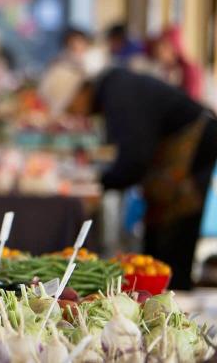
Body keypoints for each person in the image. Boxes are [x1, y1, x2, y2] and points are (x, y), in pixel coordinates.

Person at [39, 62, 217, 290]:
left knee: (174, 236)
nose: (74, 114)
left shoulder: (118, 93)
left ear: (80, 92)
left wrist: (101, 183)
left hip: (191, 153)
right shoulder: (113, 89)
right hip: (175, 161)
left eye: (71, 107)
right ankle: (160, 292)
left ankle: (174, 297)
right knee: (160, 238)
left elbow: (134, 161)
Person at [148, 26, 204, 101]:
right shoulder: (160, 68)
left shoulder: (190, 71)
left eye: (164, 46)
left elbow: (190, 102)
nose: (159, 50)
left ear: (175, 48)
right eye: (159, 45)